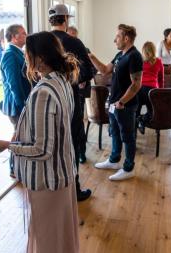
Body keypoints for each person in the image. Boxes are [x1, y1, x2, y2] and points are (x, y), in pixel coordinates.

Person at [0, 31, 80, 253]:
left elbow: (42, 150)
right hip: (62, 173)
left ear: (39, 58)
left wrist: (7, 146)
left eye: (28, 54)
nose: (25, 59)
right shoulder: (63, 81)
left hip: (48, 179)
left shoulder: (44, 92)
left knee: (48, 241)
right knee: (59, 238)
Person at [49, 4, 94, 201]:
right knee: (72, 143)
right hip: (70, 100)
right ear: (65, 19)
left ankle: (53, 187)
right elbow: (89, 71)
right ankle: (73, 188)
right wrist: (75, 80)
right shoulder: (74, 43)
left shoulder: (40, 41)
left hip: (48, 100)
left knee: (52, 142)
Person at [89, 24, 143, 181]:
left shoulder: (134, 56)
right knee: (115, 133)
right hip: (114, 103)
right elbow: (105, 70)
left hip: (124, 104)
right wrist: (91, 57)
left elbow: (136, 84)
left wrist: (122, 101)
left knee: (128, 136)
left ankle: (128, 168)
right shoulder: (120, 54)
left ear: (126, 38)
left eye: (117, 36)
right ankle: (114, 160)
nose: (115, 40)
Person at [0, 24, 32, 176]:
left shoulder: (19, 52)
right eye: (22, 33)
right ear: (13, 37)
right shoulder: (10, 54)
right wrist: (23, 105)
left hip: (21, 103)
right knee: (18, 138)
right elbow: (13, 84)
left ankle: (20, 167)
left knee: (21, 136)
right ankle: (14, 168)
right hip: (16, 105)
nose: (26, 34)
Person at [66, 25, 96, 163]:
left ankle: (81, 152)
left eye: (74, 34)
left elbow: (92, 70)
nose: (72, 37)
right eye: (70, 34)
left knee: (78, 123)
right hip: (66, 91)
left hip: (80, 91)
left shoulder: (84, 49)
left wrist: (83, 79)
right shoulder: (61, 50)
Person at [137, 41, 164, 134]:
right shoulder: (159, 61)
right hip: (152, 91)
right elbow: (161, 79)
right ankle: (142, 121)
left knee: (135, 112)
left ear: (143, 51)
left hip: (139, 90)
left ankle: (134, 134)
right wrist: (160, 92)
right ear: (154, 50)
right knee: (152, 113)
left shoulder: (140, 61)